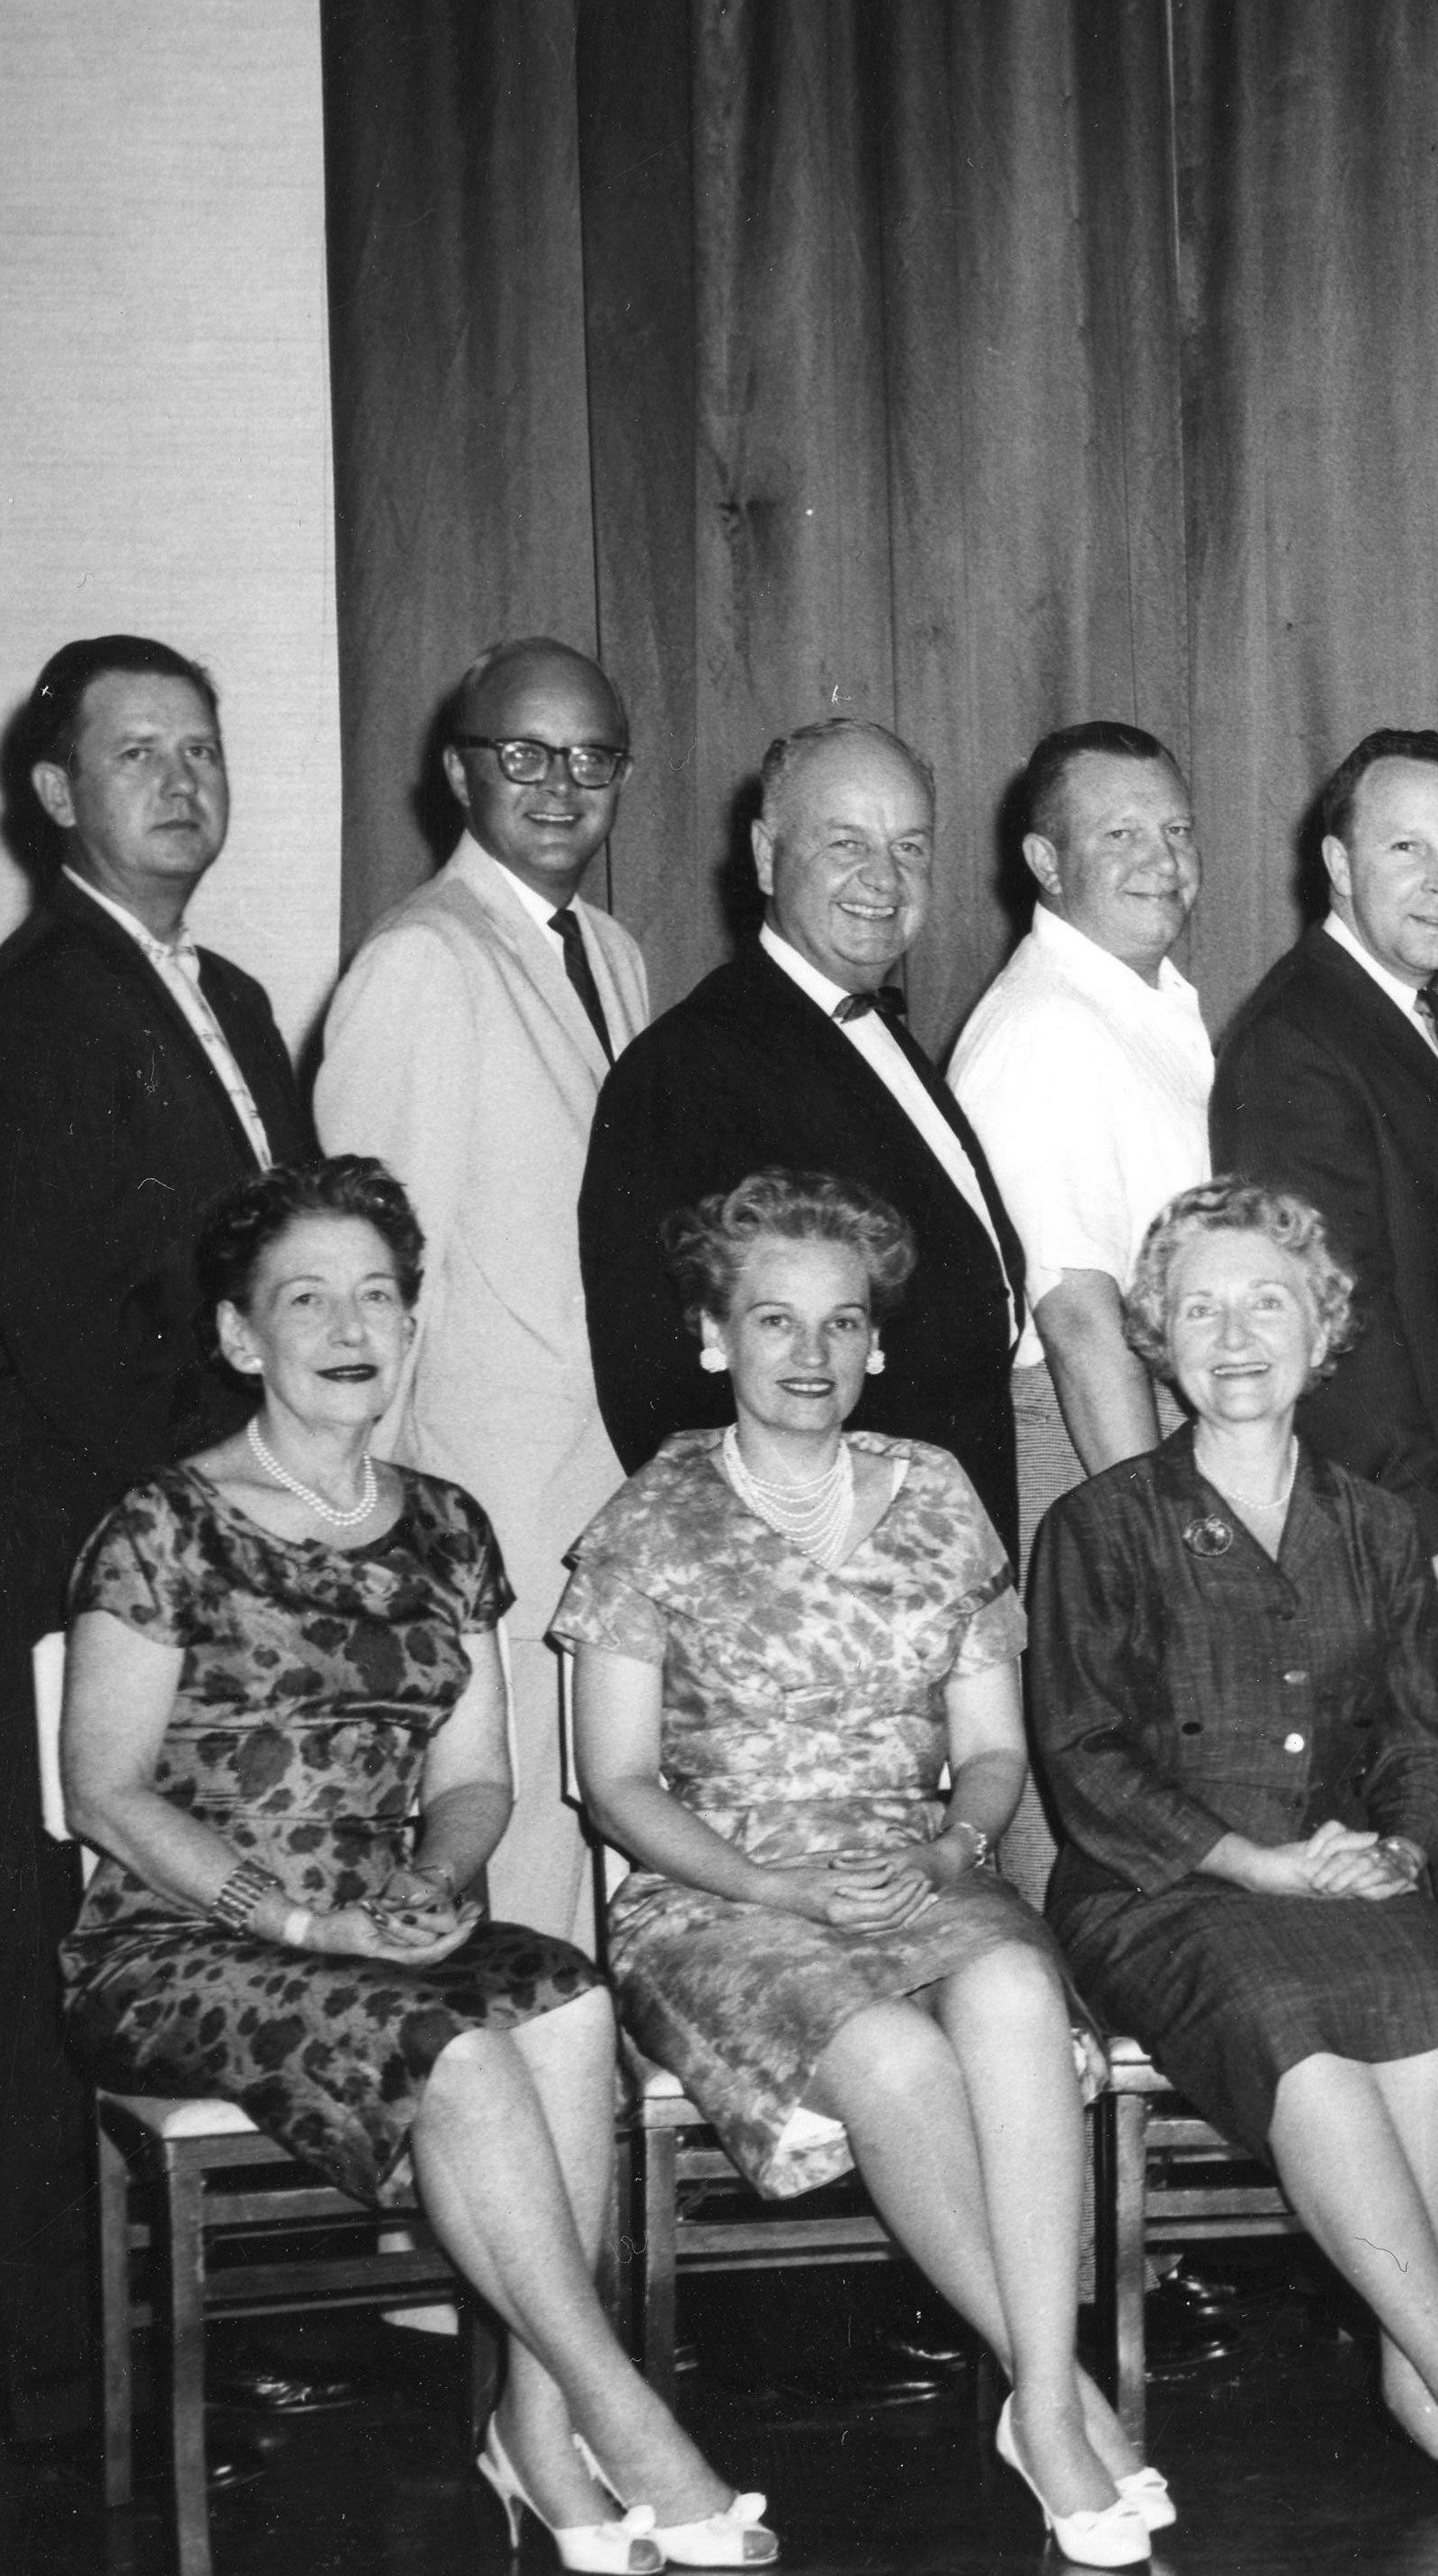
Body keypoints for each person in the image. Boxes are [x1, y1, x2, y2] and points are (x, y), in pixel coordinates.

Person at [59, 1158, 770, 2575]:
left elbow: (475, 1776)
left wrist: (435, 1880)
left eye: (375, 1294)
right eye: (304, 1297)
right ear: (237, 1335)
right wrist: (306, 1914)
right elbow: (103, 1787)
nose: (347, 1325)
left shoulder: (446, 1523)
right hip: (182, 1933)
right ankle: (623, 2415)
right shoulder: (163, 1522)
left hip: (380, 1924)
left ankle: (533, 2428)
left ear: (409, 1326)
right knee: (450, 2044)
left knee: (564, 1994)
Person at [558, 1171, 1157, 2566]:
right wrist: (784, 1892)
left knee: (1010, 1983)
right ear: (715, 1338)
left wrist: (949, 1844)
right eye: (774, 1321)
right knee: (890, 2054)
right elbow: (617, 1785)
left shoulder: (938, 1489)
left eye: (840, 1323)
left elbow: (993, 1753)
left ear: (875, 1342)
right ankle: (1055, 2399)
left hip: (910, 1861)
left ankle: (1044, 2399)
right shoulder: (651, 1516)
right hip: (718, 1890)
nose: (810, 1354)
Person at [1027, 1179, 1438, 2509]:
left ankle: (1414, 2368)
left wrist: (1399, 1852)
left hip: (1344, 1868)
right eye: (1198, 1307)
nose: (1234, 1334)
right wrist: (1255, 1863)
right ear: (1155, 1338)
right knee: (1301, 2027)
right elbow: (1084, 1761)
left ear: (1321, 1323)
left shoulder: (1376, 1523)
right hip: (1163, 1887)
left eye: (1267, 1300)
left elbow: (1419, 1740)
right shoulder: (1100, 1523)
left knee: (1426, 2000)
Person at [1, 635, 318, 2444]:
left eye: (203, 747)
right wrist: (227, 1519)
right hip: (95, 1553)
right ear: (56, 796)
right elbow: (62, 1320)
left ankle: (208, 2324)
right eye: (140, 753)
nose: (184, 780)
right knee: (76, 1942)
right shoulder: (36, 1008)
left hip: (225, 1548)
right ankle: (75, 2373)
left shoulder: (240, 998)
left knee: (220, 1906)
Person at [314, 639, 656, 1942]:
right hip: (486, 1516)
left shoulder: (614, 956)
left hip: (606, 1499)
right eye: (523, 754)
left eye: (591, 758)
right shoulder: (419, 959)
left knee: (600, 1897)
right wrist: (380, 1538)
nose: (559, 784)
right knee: (515, 1915)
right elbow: (368, 1291)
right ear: (462, 774)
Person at [578, 718, 1030, 1546]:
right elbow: (663, 1392)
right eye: (845, 842)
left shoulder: (877, 1030)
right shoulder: (691, 1066)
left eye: (910, 847)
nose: (883, 878)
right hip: (824, 1584)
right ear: (763, 854)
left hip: (942, 1550)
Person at [1209, 729, 1438, 1566]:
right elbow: (1329, 1317)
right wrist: (1430, 1540)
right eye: (1405, 847)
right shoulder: (1297, 1043)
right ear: (1339, 867)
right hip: (1408, 1537)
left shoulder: (1405, 1012)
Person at [949, 719, 1215, 1522]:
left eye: (1175, 830)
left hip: (1162, 1426)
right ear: (1046, 862)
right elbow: (1078, 1324)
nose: (1162, 862)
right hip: (1100, 1453)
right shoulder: (1045, 1027)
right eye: (1120, 834)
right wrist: (1160, 1543)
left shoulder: (1138, 1002)